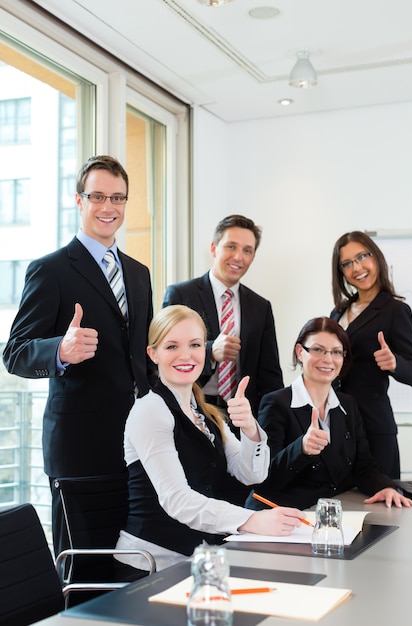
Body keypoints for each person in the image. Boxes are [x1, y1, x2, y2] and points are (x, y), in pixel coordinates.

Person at [3, 155, 155, 556]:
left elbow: (142, 355)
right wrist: (60, 350)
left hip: (137, 446)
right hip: (80, 452)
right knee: (83, 571)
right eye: (98, 196)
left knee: (133, 565)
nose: (109, 207)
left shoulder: (139, 273)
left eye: (118, 198)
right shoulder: (50, 270)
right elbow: (14, 352)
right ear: (79, 200)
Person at [114, 305, 306, 576]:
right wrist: (251, 520)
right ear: (153, 354)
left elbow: (252, 473)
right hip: (150, 565)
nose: (185, 355)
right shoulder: (150, 410)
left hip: (195, 561)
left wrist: (250, 428)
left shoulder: (205, 412)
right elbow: (178, 500)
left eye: (194, 344)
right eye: (171, 346)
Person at [246, 317, 412, 512]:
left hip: (332, 515)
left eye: (336, 352)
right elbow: (264, 477)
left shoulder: (348, 404)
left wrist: (385, 487)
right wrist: (300, 448)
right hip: (284, 515)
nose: (328, 359)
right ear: (300, 352)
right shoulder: (276, 403)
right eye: (318, 350)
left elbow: (364, 466)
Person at [162, 214, 283, 418]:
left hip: (242, 414)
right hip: (192, 409)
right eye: (231, 247)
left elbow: (270, 376)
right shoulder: (181, 294)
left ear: (253, 257)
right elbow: (166, 355)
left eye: (247, 251)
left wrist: (269, 425)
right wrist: (209, 351)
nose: (238, 256)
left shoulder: (260, 307)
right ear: (214, 248)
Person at [330, 231, 412, 479]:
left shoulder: (395, 310)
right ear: (341, 272)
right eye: (347, 263)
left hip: (374, 428)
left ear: (376, 257)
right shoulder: (338, 312)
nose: (357, 267)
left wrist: (395, 363)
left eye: (362, 257)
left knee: (381, 506)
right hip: (338, 425)